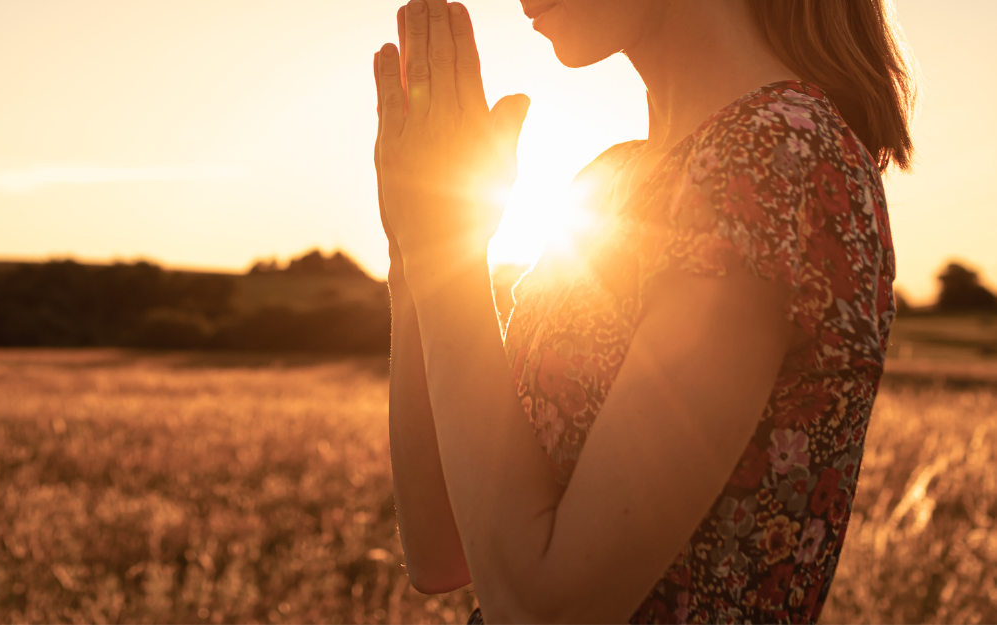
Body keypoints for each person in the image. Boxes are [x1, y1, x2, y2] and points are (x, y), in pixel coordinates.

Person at [371, 0, 915, 621]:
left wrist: (450, 261)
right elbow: (442, 552)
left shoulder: (780, 157)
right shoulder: (610, 183)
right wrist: (418, 251)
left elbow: (546, 609)